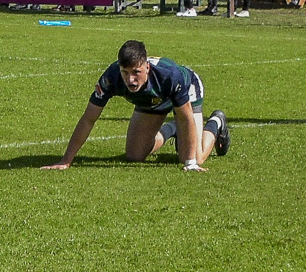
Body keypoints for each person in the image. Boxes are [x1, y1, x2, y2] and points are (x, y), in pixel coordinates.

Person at [43, 39, 228, 172]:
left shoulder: (170, 76)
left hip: (186, 91)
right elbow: (88, 119)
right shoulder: (111, 77)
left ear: (147, 67)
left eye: (136, 72)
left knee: (196, 156)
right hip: (151, 99)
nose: (130, 79)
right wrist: (66, 161)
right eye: (125, 72)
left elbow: (185, 116)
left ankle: (216, 122)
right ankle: (173, 129)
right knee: (134, 156)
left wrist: (191, 163)